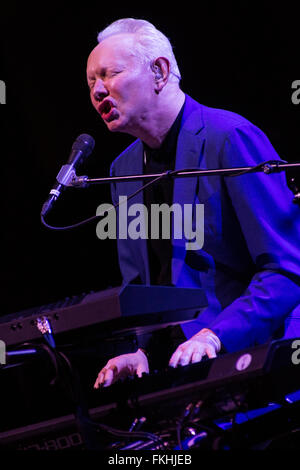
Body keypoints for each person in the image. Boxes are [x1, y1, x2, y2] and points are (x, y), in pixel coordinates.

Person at [86, 18, 300, 389]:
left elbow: (287, 270)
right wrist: (140, 350)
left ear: (159, 71)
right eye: (91, 82)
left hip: (254, 362)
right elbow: (140, 289)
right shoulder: (121, 171)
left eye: (110, 74)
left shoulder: (229, 137)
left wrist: (216, 336)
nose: (99, 91)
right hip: (178, 375)